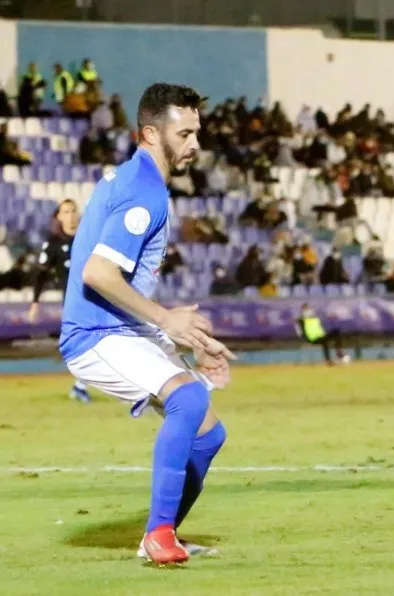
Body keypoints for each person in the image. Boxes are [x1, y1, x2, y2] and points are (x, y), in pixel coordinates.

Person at [59, 83, 236, 565]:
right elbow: (98, 274)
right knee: (188, 396)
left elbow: (123, 277)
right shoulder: (144, 194)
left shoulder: (138, 180)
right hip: (95, 333)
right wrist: (164, 319)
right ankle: (159, 535)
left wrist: (186, 335)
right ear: (152, 133)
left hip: (122, 326)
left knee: (209, 433)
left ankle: (161, 534)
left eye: (197, 132)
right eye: (185, 133)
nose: (195, 144)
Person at [27, 199, 92, 403]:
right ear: (59, 216)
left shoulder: (90, 238)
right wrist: (35, 303)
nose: (71, 216)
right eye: (66, 212)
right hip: (74, 304)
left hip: (99, 299)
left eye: (74, 211)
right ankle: (81, 386)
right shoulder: (53, 244)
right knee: (87, 345)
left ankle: (82, 386)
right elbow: (41, 275)